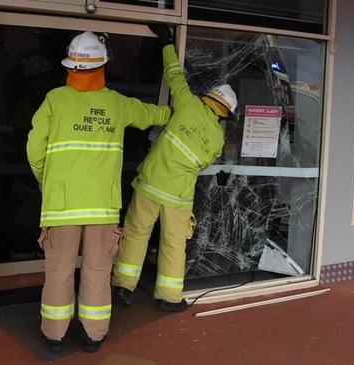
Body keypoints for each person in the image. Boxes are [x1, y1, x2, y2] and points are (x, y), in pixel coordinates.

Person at [26, 31, 171, 354]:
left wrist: (46, 180)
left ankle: (54, 336)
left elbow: (34, 149)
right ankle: (93, 335)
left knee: (59, 271)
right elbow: (155, 115)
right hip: (102, 207)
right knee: (97, 272)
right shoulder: (117, 105)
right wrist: (182, 113)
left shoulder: (55, 100)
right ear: (103, 66)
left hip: (61, 206)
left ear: (70, 68)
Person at [111, 24, 238, 312]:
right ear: (226, 114)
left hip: (150, 184)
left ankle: (122, 287)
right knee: (173, 245)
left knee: (136, 234)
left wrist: (167, 42)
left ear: (209, 98)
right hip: (178, 197)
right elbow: (206, 163)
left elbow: (174, 74)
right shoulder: (218, 138)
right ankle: (168, 298)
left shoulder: (186, 103)